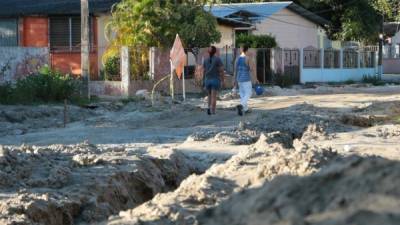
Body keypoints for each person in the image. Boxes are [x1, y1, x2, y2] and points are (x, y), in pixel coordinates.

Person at [233, 45, 259, 116]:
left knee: (242, 94)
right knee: (249, 93)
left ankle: (245, 109)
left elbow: (235, 71)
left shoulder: (237, 59)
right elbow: (251, 70)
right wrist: (255, 79)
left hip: (239, 79)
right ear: (247, 50)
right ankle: (241, 105)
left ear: (241, 50)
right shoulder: (248, 58)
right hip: (246, 79)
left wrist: (234, 80)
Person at [203, 46, 224, 115]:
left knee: (209, 95)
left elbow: (204, 71)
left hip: (207, 80)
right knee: (213, 96)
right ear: (215, 51)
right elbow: (221, 71)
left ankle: (208, 108)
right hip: (215, 80)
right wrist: (222, 80)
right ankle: (213, 111)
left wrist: (203, 81)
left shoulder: (205, 60)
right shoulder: (218, 59)